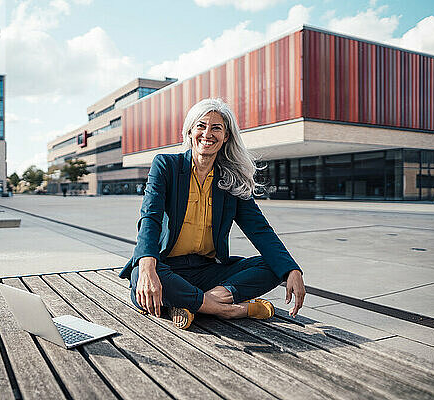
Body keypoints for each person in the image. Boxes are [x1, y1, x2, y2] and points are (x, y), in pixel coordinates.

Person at [119, 98, 306, 329]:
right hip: (166, 265)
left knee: (273, 267)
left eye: (216, 128)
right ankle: (228, 310)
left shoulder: (231, 180)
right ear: (190, 131)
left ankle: (190, 302)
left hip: (205, 270)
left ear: (226, 136)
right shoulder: (166, 166)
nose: (207, 133)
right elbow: (150, 217)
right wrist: (147, 266)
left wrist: (292, 269)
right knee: (140, 277)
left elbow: (260, 230)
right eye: (201, 126)